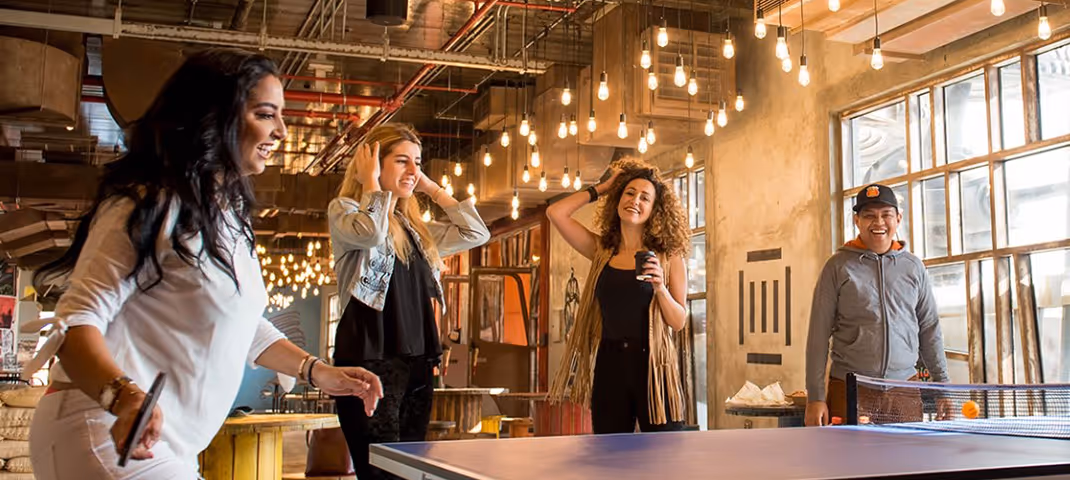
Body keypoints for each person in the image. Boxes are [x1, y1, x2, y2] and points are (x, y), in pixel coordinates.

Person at [23, 48, 384, 479]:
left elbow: (245, 325)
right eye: (266, 114)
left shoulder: (225, 218)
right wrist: (126, 398)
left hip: (169, 442)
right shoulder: (145, 203)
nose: (283, 132)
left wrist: (316, 370)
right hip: (99, 428)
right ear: (215, 117)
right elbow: (75, 323)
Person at [328, 123, 490, 479]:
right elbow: (372, 232)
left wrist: (430, 186)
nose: (413, 171)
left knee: (410, 471)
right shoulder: (345, 211)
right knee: (378, 472)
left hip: (417, 362)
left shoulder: (416, 230)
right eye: (402, 161)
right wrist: (370, 183)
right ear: (372, 163)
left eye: (417, 162)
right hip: (369, 360)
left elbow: (476, 233)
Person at [547, 157, 691, 433]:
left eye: (645, 198)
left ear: (654, 209)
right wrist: (602, 188)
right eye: (629, 192)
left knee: (664, 456)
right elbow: (556, 213)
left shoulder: (669, 257)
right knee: (609, 457)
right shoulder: (602, 250)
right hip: (610, 364)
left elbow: (678, 321)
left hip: (654, 366)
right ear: (618, 198)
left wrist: (660, 288)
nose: (635, 200)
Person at [805, 183, 951, 427]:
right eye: (869, 216)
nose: (878, 222)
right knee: (848, 464)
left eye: (886, 215)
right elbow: (817, 337)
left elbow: (930, 330)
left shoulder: (914, 268)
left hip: (904, 388)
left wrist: (943, 389)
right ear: (857, 221)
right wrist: (815, 397)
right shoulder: (837, 267)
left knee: (907, 464)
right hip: (850, 389)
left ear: (898, 218)